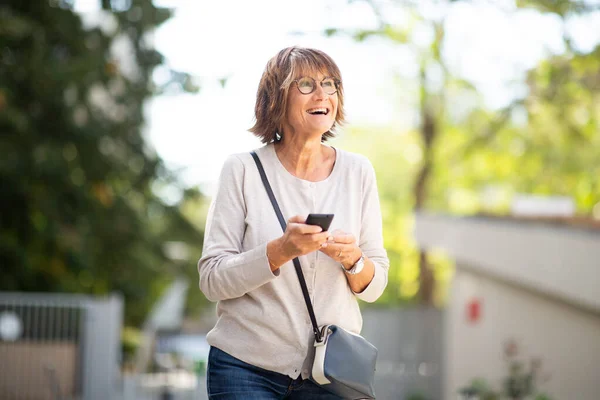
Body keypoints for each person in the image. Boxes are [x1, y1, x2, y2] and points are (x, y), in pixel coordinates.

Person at [198, 46, 389, 399]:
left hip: (330, 374)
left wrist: (353, 259)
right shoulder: (242, 170)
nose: (323, 94)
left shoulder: (358, 171)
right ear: (276, 98)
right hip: (244, 368)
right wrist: (278, 252)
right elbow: (211, 279)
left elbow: (375, 284)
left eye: (330, 84)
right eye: (306, 84)